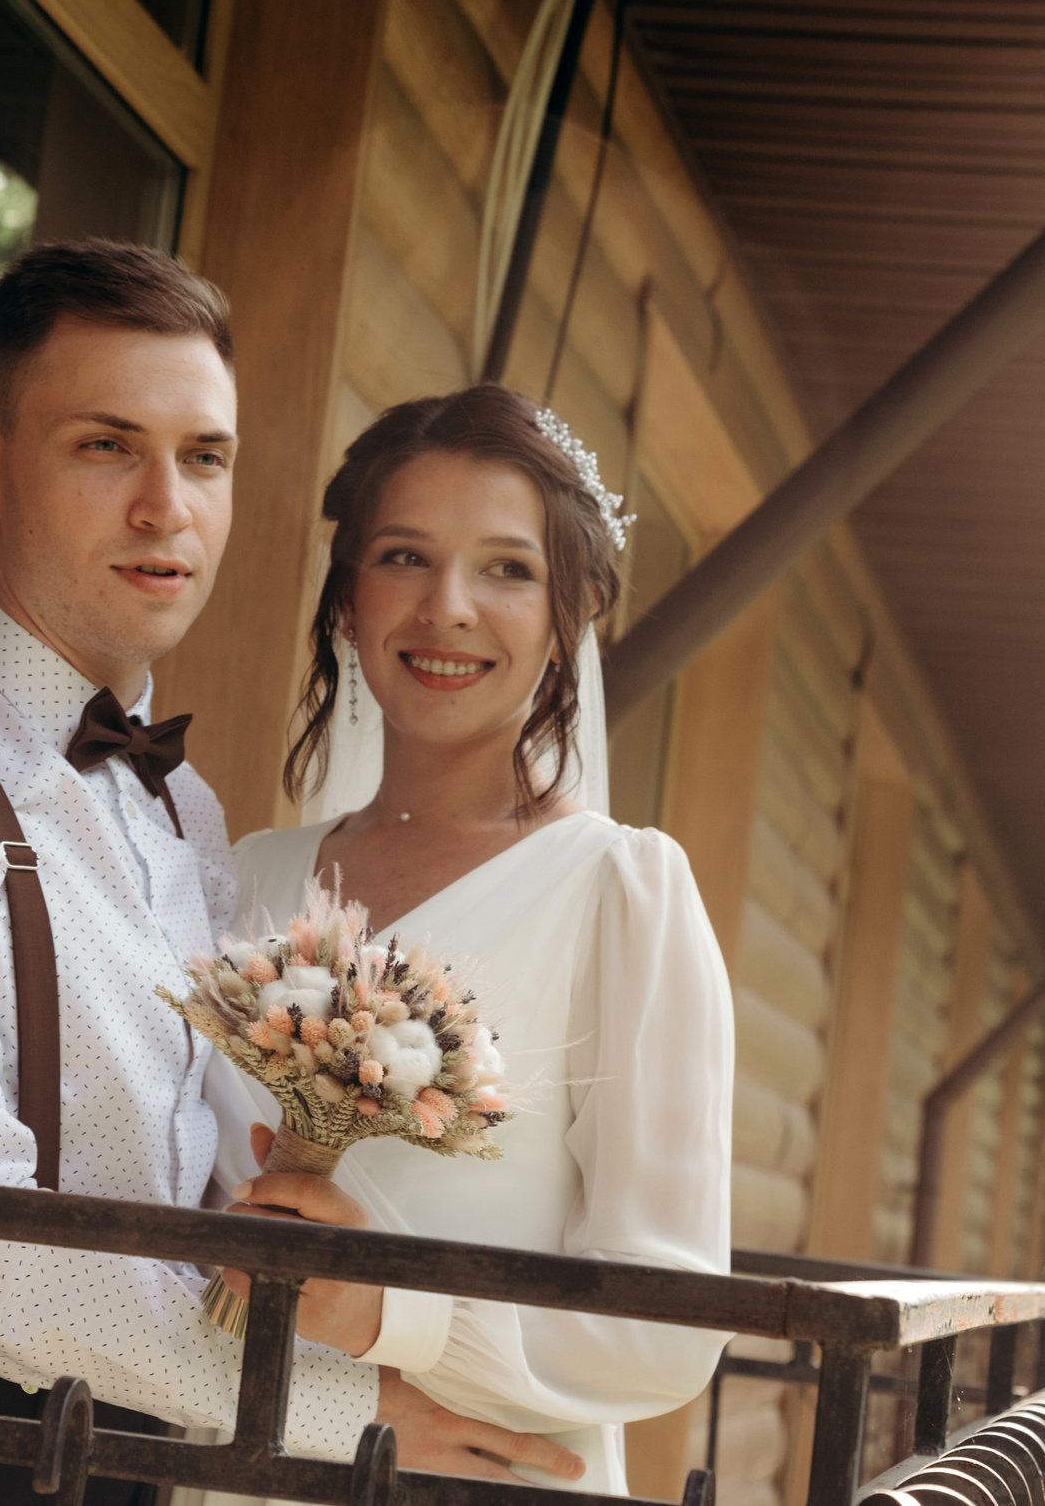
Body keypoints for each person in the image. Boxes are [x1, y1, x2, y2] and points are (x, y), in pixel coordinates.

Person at [0, 243, 581, 1506]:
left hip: (131, 1458)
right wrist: (344, 1406)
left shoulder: (182, 805)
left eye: (205, 456)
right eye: (107, 445)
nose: (166, 505)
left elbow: (188, 1168)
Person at [207, 384, 735, 1496]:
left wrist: (396, 1311)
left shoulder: (619, 890)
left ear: (566, 613)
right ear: (347, 597)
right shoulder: (244, 875)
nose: (446, 606)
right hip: (238, 1459)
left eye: (506, 567)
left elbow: (670, 1322)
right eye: (403, 556)